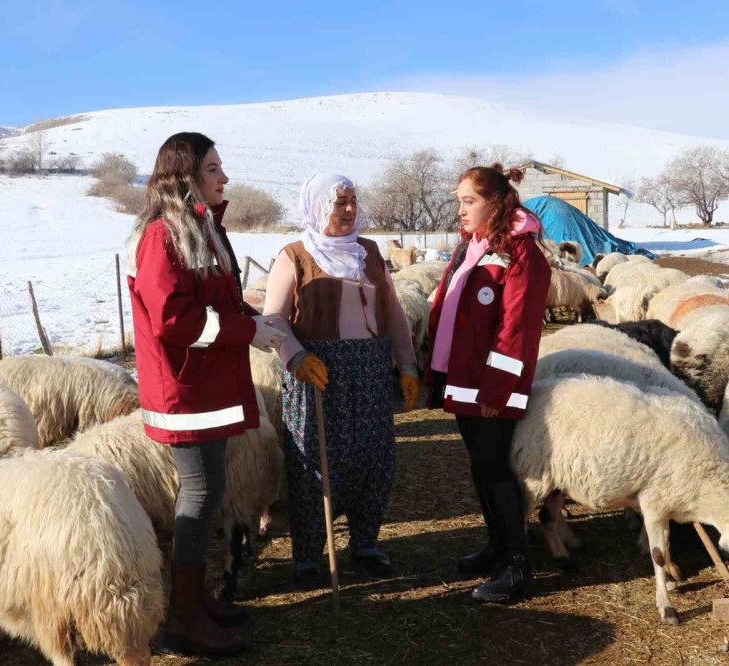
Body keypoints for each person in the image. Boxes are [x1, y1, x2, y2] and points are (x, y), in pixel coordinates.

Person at [126, 132, 284, 657]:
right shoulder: (161, 237)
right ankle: (183, 617)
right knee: (197, 494)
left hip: (207, 383)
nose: (225, 177)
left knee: (211, 489)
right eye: (214, 168)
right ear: (186, 175)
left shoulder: (200, 229)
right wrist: (245, 332)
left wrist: (252, 321)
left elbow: (216, 300)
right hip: (185, 388)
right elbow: (175, 320)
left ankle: (195, 602)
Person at [263, 173, 419, 587]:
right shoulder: (293, 255)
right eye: (339, 202)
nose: (348, 210)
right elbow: (274, 319)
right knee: (317, 466)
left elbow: (395, 315)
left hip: (369, 372)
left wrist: (406, 366)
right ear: (317, 206)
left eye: (352, 200)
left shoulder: (367, 252)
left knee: (374, 461)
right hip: (319, 373)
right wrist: (296, 357)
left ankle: (366, 544)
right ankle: (310, 556)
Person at [426, 164, 551, 604]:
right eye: (458, 201)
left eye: (469, 201)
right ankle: (497, 545)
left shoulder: (522, 255)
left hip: (490, 386)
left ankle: (516, 565)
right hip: (463, 379)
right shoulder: (473, 248)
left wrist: (498, 389)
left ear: (496, 203)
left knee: (497, 469)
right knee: (480, 465)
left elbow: (515, 329)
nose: (460, 210)